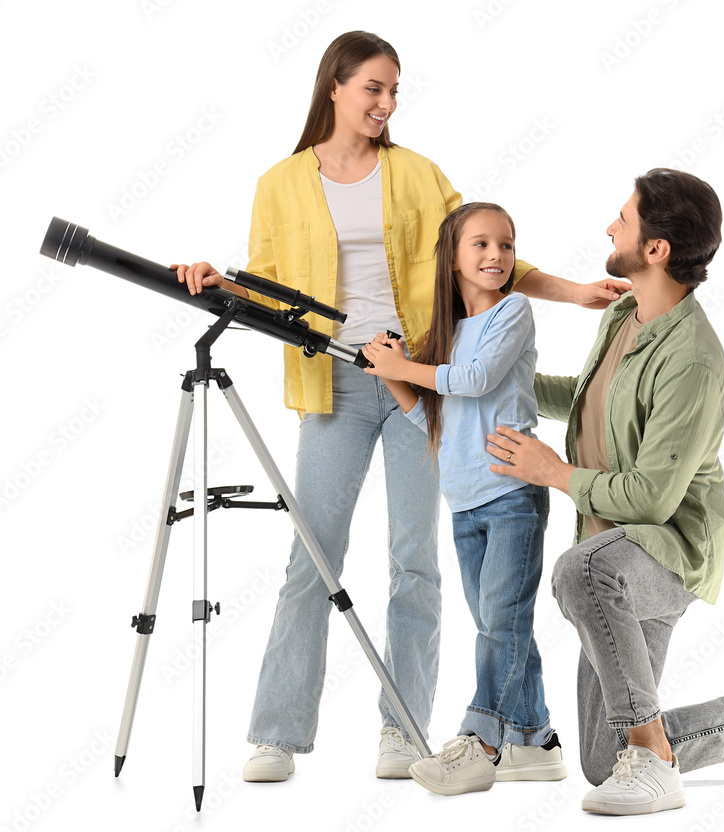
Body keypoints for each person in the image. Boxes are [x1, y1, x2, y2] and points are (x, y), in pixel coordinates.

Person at [172, 31, 631, 783]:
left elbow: (489, 258)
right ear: (335, 89)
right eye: (372, 90)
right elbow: (257, 284)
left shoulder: (417, 175)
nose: (385, 104)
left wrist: (574, 291)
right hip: (334, 387)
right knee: (311, 556)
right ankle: (278, 734)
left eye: (393, 92)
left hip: (423, 382)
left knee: (414, 561)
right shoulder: (279, 182)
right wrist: (210, 276)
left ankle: (403, 726)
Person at [484, 169, 724, 815]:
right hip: (614, 549)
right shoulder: (622, 313)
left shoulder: (693, 360)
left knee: (579, 570)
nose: (610, 227)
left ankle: (652, 763)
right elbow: (590, 399)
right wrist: (492, 384)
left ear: (656, 248)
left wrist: (551, 472)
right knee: (597, 762)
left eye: (624, 218)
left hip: (667, 551)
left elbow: (650, 501)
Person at [363, 203, 568, 796]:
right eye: (480, 245)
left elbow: (474, 379)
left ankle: (480, 741)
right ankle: (536, 740)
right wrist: (393, 370)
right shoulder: (447, 334)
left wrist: (410, 365)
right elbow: (428, 412)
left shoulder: (513, 311)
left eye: (506, 244)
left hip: (512, 495)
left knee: (500, 624)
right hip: (465, 501)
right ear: (452, 257)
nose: (496, 256)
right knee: (499, 624)